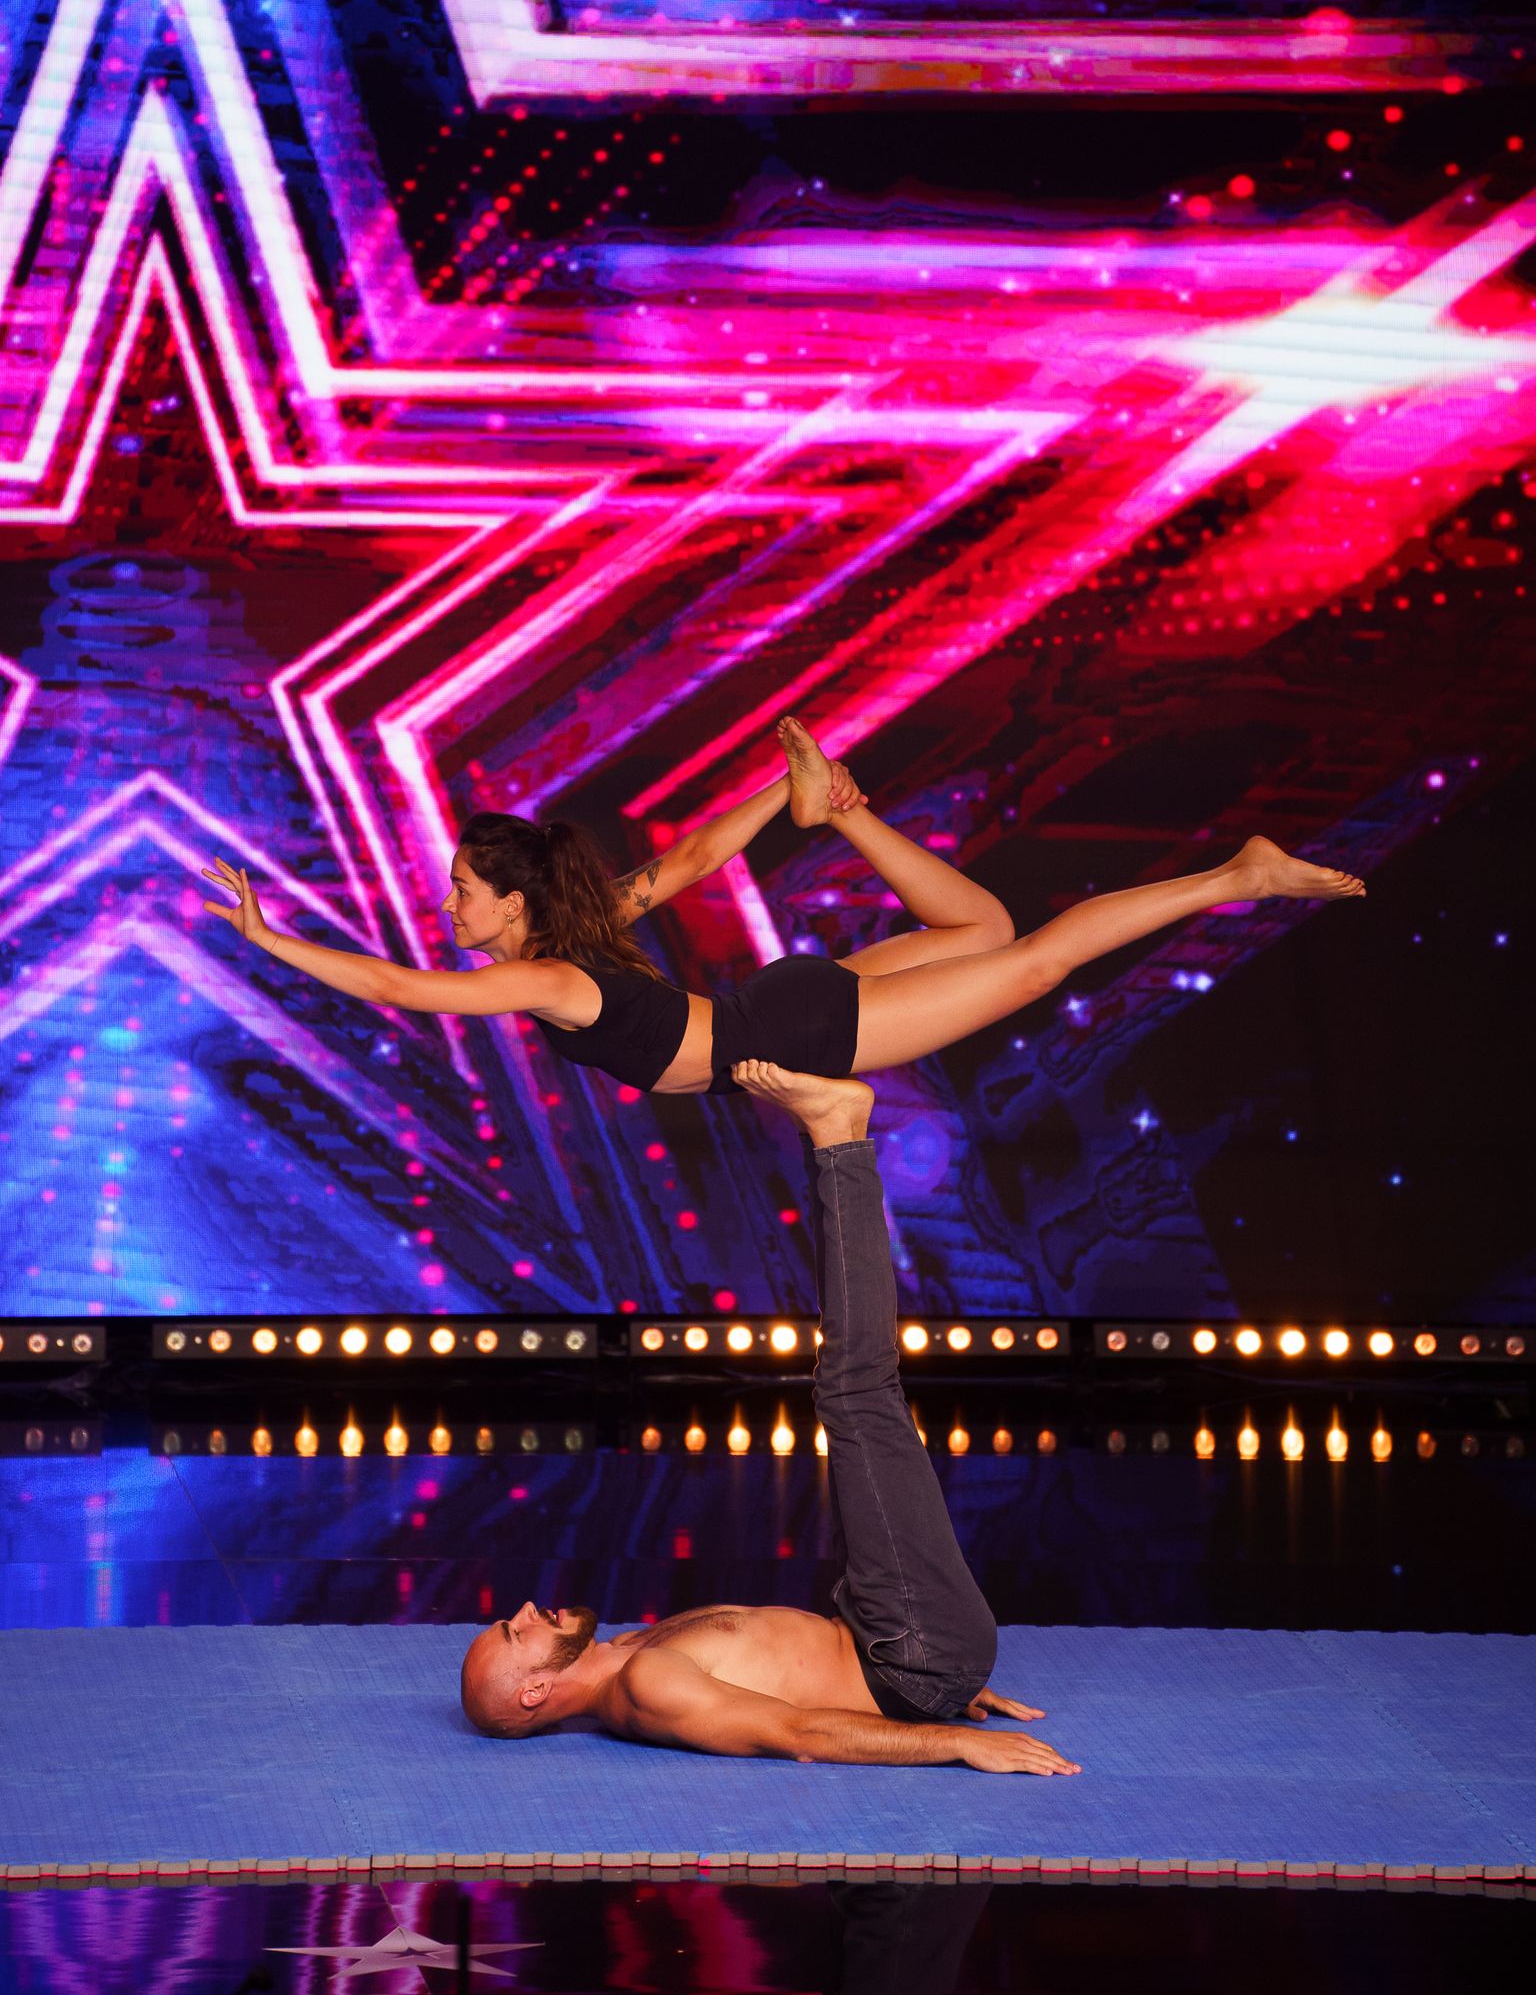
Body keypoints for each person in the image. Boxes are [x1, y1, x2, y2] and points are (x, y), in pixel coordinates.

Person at [459, 1060, 1082, 1774]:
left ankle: (835, 1139)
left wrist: (947, 1689)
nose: (527, 1609)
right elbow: (799, 1733)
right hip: (912, 1652)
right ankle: (839, 1137)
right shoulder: (648, 1688)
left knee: (852, 1389)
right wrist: (955, 1738)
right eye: (516, 1633)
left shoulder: (629, 1653)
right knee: (855, 1388)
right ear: (535, 1692)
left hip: (899, 1647)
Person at [200, 716, 1363, 1094]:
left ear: (512, 904)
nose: (449, 903)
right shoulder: (590, 927)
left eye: (464, 890)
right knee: (988, 932)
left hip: (794, 1028)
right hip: (778, 1005)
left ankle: (1237, 877)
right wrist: (790, 791)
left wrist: (266, 937)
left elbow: (399, 987)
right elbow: (702, 855)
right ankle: (838, 811)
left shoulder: (542, 974)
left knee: (1035, 961)